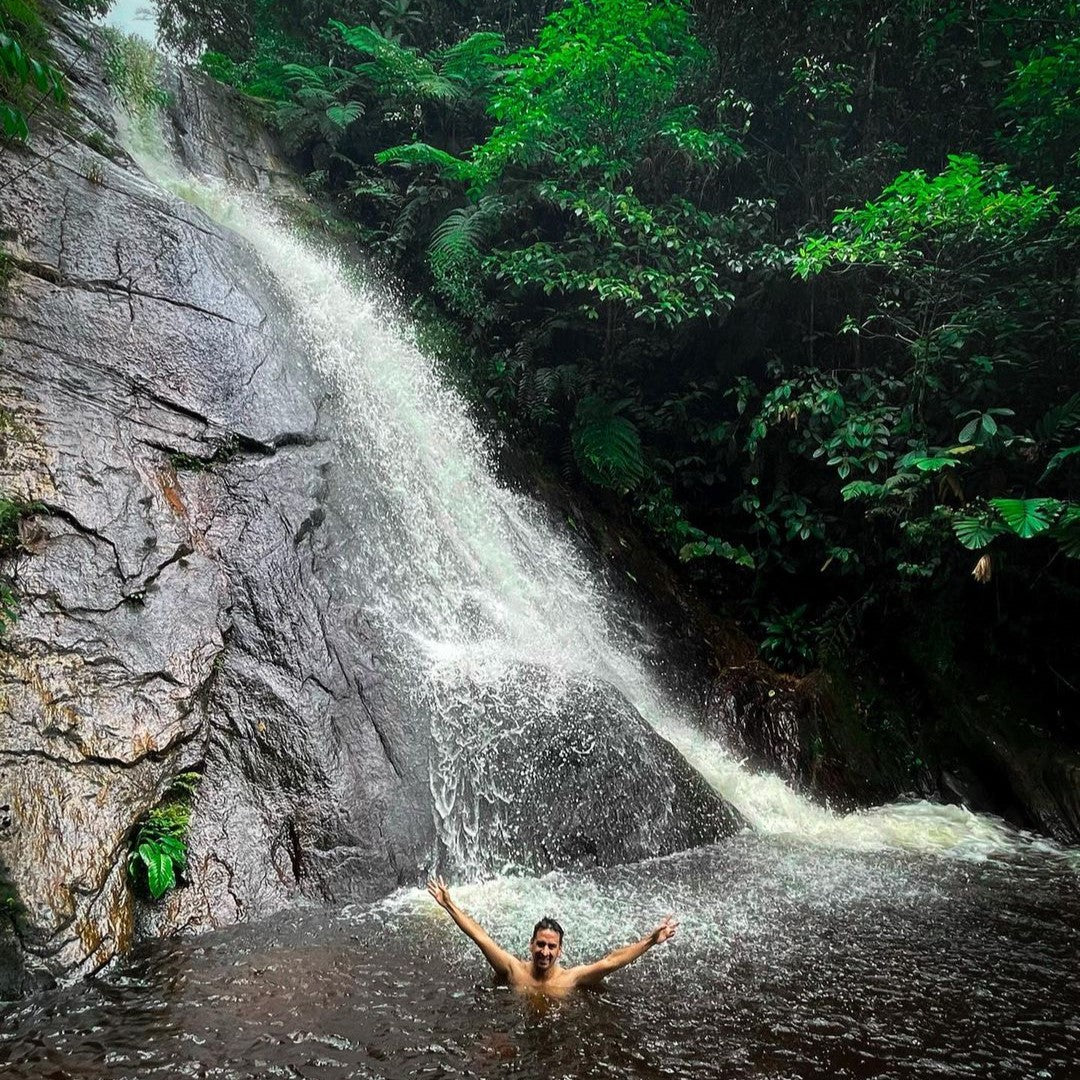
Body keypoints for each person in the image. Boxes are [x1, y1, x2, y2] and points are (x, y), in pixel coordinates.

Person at [426, 876, 678, 997]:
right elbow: (480, 937)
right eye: (541, 944)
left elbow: (611, 962)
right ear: (531, 945)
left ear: (560, 951)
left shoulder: (570, 979)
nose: (545, 952)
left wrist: (650, 941)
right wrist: (449, 905)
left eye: (551, 947)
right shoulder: (514, 970)